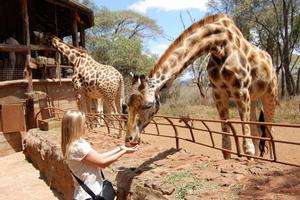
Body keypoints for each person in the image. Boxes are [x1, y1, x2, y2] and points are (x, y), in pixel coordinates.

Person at [61, 110, 139, 200]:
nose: (86, 125)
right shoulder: (77, 147)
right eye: (83, 123)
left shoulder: (76, 143)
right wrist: (124, 152)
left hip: (92, 192)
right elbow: (103, 163)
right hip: (89, 195)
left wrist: (121, 148)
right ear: (75, 126)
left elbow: (99, 157)